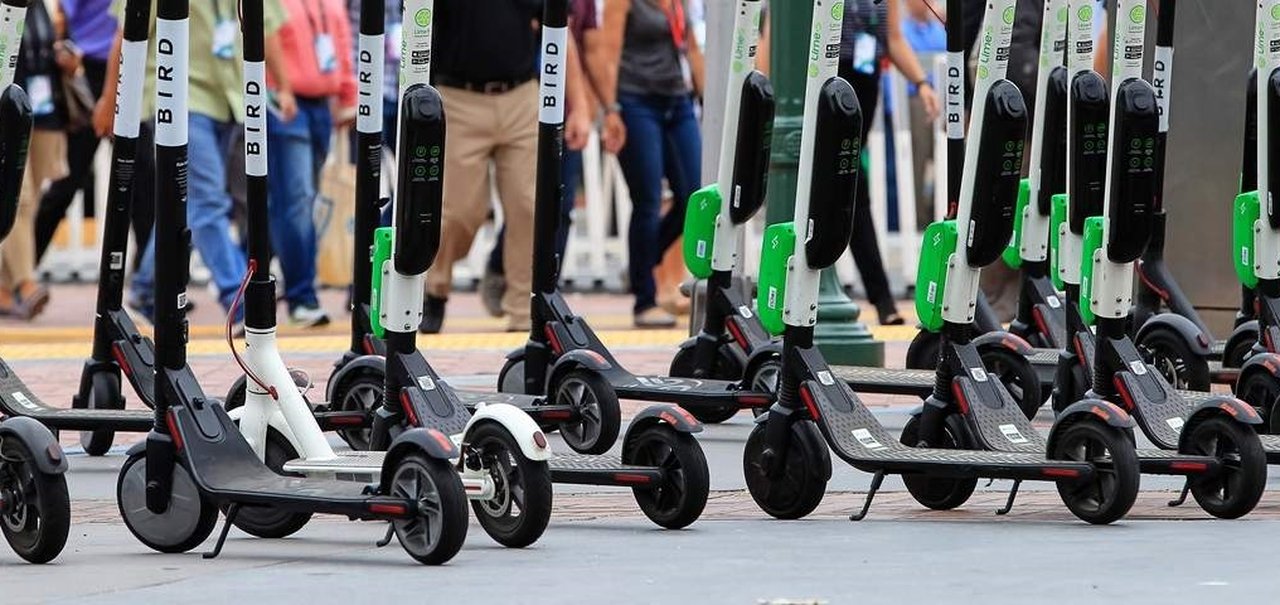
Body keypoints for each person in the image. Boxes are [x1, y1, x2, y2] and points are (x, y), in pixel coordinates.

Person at [95, 0, 296, 325]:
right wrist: (110, 99)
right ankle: (238, 299)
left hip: (230, 99)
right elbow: (126, 35)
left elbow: (265, 27)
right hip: (179, 99)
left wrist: (283, 86)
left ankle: (147, 286)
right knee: (207, 201)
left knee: (183, 202)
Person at [420, 0, 590, 334]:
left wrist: (580, 106)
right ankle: (433, 289)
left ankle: (521, 309)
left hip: (521, 96)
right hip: (458, 96)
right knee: (458, 212)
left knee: (530, 205)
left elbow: (558, 32)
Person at [479, 0, 608, 319]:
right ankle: (504, 268)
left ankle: (545, 287)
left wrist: (589, 106)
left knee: (559, 207)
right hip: (524, 104)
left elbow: (584, 48)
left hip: (562, 108)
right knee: (526, 200)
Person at [590, 0, 705, 328]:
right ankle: (644, 298)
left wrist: (710, 102)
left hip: (677, 101)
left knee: (694, 196)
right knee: (648, 200)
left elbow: (692, 48)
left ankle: (641, 262)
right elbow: (608, 49)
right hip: (635, 100)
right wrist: (610, 111)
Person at [838, 0, 939, 325]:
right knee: (851, 189)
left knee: (849, 189)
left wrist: (921, 83)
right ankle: (881, 297)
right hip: (828, 85)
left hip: (865, 90)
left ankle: (880, 297)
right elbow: (778, 38)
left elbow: (892, 38)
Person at [266, 0, 356, 328]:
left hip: (321, 106)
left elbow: (342, 40)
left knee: (293, 203)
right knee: (297, 201)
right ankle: (302, 296)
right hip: (284, 103)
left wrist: (348, 94)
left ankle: (254, 276)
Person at [0, 0, 73, 320]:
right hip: (7, 111)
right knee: (20, 199)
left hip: (42, 111)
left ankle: (3, 288)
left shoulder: (44, 6)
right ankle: (26, 283)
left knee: (32, 199)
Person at [32, 0, 116, 264]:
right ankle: (19, 274)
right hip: (87, 71)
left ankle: (146, 284)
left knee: (144, 181)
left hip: (133, 70)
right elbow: (60, 14)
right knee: (65, 183)